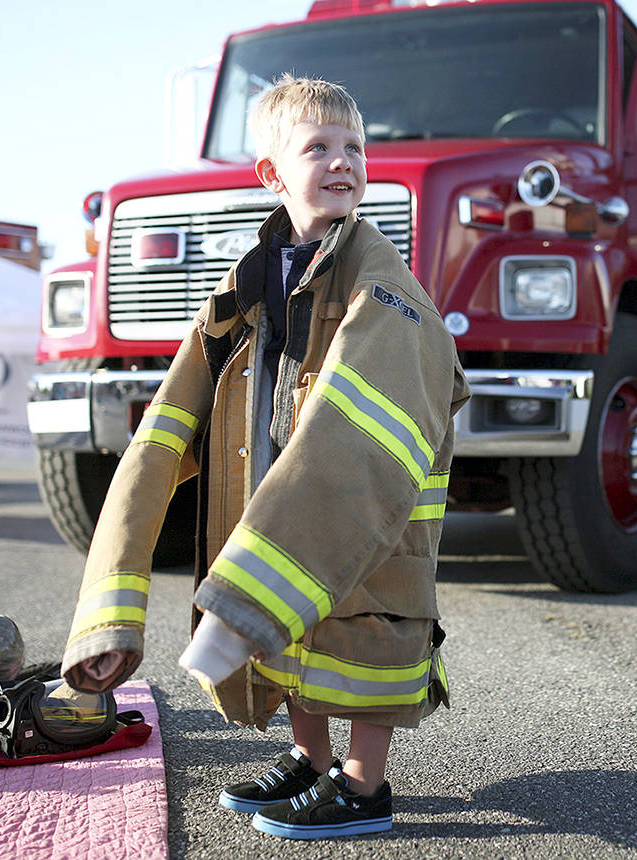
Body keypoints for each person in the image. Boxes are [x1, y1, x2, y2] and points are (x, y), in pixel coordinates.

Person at [59, 75, 469, 840]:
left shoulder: (384, 285)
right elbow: (164, 430)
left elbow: (357, 431)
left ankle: (363, 785)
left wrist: (235, 605)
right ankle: (311, 763)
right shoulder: (253, 279)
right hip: (287, 495)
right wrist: (105, 621)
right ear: (273, 175)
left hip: (370, 506)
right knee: (294, 636)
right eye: (319, 147)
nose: (344, 162)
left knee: (367, 630)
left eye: (355, 148)